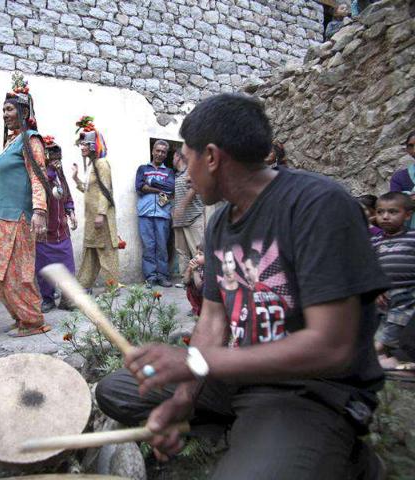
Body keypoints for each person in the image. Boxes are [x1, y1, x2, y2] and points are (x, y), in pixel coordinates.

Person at [96, 93, 389, 479]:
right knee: (117, 390)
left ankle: (332, 450)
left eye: (187, 158)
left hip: (310, 389)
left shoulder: (318, 205)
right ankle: (264, 438)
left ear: (213, 158)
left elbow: (331, 346)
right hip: (240, 376)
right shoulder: (220, 224)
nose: (184, 172)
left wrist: (193, 363)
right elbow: (213, 321)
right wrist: (185, 395)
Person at [0, 73, 52, 337]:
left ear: (22, 111)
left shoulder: (31, 139)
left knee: (18, 273)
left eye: (9, 109)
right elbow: (3, 173)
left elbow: (38, 175)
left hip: (18, 217)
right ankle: (21, 317)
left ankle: (33, 321)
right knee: (1, 273)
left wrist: (39, 211)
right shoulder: (11, 143)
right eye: (3, 110)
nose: (5, 114)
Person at [71, 116, 119, 292]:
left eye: (84, 144)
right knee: (90, 255)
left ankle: (112, 289)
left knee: (107, 255)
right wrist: (76, 178)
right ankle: (81, 288)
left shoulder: (102, 163)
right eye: (81, 144)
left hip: (101, 220)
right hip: (93, 220)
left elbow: (106, 191)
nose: (81, 147)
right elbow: (90, 190)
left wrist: (100, 214)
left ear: (93, 145)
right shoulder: (93, 165)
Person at [371, 192, 415, 373]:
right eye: (380, 212)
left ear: (407, 215)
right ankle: (384, 357)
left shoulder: (412, 238)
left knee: (398, 321)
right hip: (382, 293)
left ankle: (377, 351)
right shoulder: (374, 241)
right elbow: (368, 267)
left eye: (392, 212)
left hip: (408, 291)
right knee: (379, 322)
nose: (385, 217)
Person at [35, 135, 77, 313]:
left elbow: (66, 194)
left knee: (68, 267)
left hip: (62, 231)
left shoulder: (60, 175)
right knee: (44, 270)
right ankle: (48, 299)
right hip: (45, 232)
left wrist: (71, 211)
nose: (57, 161)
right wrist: (51, 170)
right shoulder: (42, 175)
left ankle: (67, 299)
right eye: (52, 158)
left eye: (58, 158)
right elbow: (44, 187)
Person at [135, 140, 175, 287]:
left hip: (163, 213)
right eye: (157, 150)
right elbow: (139, 186)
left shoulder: (169, 172)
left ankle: (162, 276)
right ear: (152, 151)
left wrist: (150, 182)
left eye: (163, 152)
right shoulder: (142, 169)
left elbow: (171, 188)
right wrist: (159, 189)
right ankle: (150, 276)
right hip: (145, 213)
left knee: (162, 246)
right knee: (148, 246)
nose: (160, 154)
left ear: (166, 155)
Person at [171, 148, 206, 288]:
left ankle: (202, 281)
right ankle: (186, 281)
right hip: (179, 221)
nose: (172, 159)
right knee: (182, 252)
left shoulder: (191, 172)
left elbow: (194, 189)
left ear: (178, 156)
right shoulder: (177, 175)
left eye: (173, 156)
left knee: (197, 251)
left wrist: (181, 206)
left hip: (193, 218)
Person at [389, 131, 415, 229]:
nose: (414, 150)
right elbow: (395, 204)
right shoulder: (399, 178)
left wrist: (406, 197)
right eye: (410, 146)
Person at [182, 243, 204, 317]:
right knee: (189, 285)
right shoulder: (199, 265)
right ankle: (196, 307)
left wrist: (195, 270)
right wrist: (189, 269)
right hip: (200, 294)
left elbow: (201, 288)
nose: (196, 257)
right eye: (196, 254)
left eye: (200, 254)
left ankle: (203, 309)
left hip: (207, 296)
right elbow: (185, 282)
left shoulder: (212, 269)